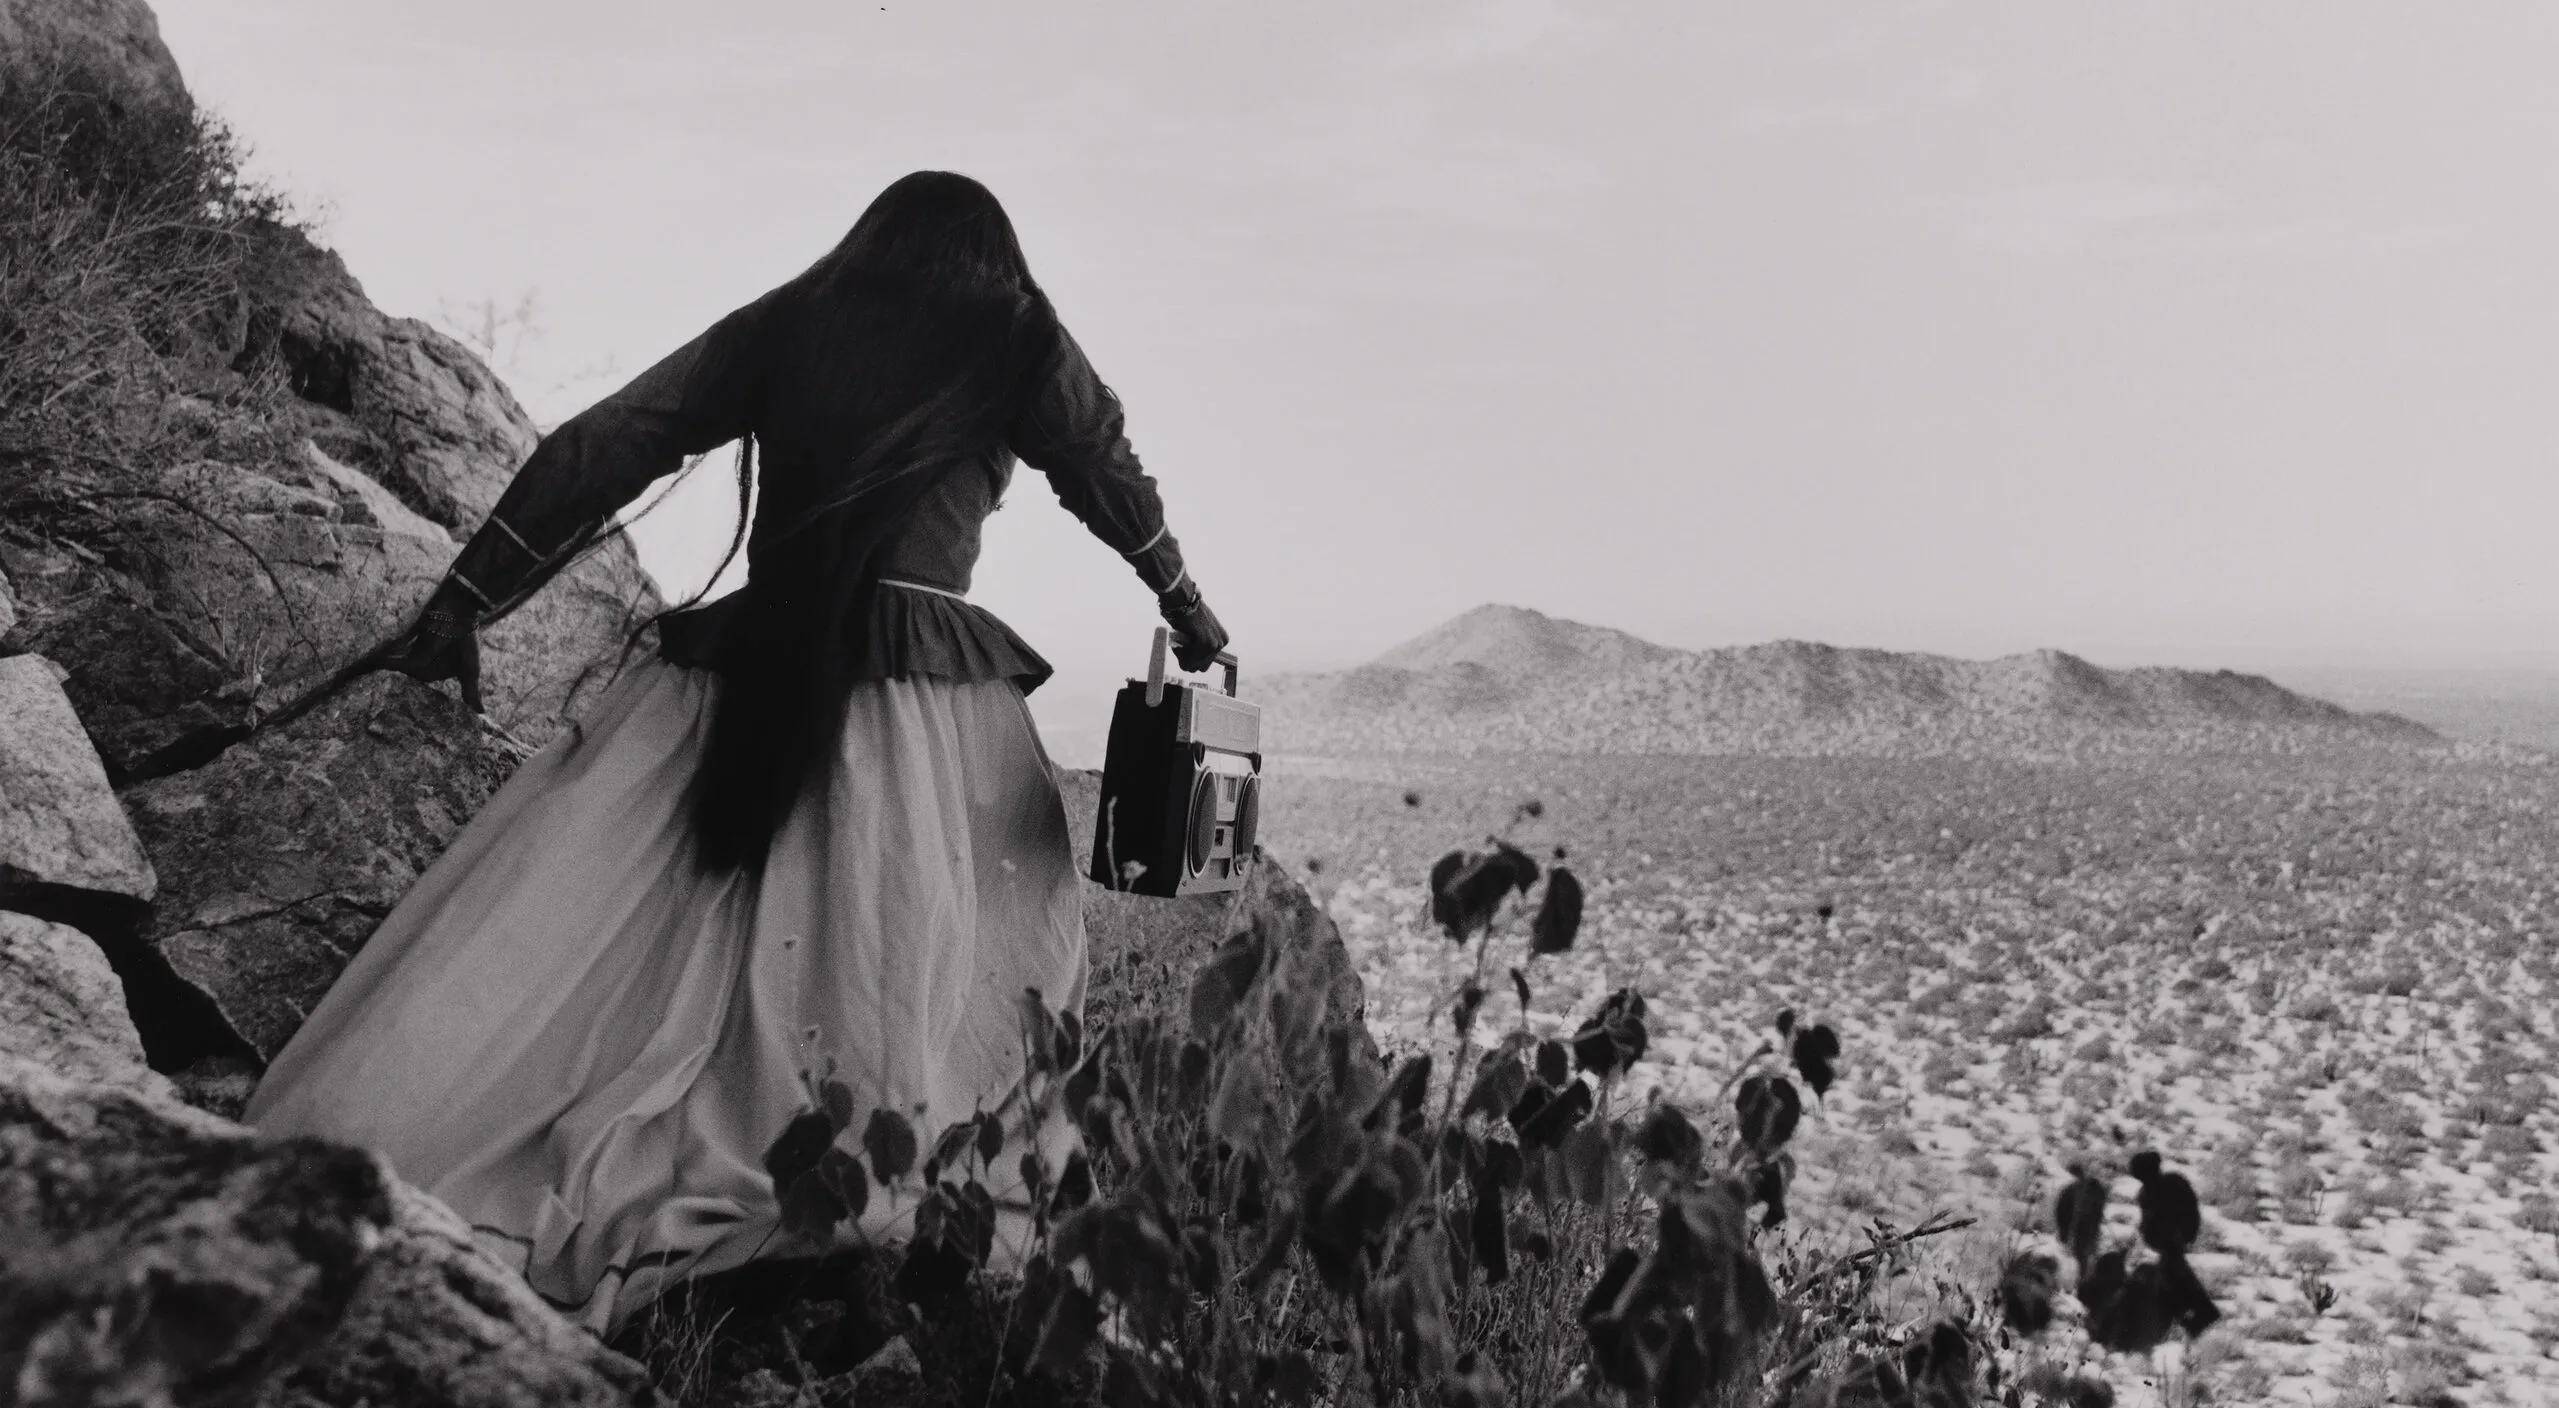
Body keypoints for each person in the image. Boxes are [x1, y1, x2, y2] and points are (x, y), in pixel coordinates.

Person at [243, 171, 1227, 1335]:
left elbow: (611, 442)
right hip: (920, 701)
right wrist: (1189, 607)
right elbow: (1104, 464)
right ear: (994, 260)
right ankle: (866, 1186)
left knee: (624, 938)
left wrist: (469, 597)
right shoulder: (1015, 331)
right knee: (963, 944)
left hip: (740, 674)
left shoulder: (797, 318)